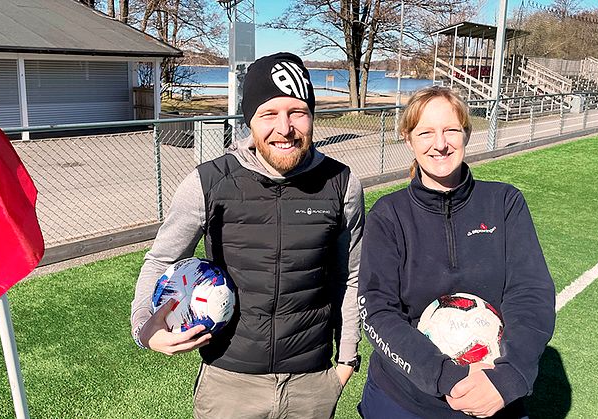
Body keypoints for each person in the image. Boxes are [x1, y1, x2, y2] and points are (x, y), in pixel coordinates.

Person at [130, 52, 364, 419]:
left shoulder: (342, 183)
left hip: (312, 384)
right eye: (269, 114)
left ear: (312, 117)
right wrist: (145, 329)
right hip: (229, 382)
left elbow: (351, 277)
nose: (284, 128)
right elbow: (162, 260)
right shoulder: (208, 182)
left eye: (297, 112)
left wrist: (346, 360)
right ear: (248, 121)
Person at [357, 86, 555, 418]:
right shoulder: (388, 215)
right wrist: (447, 376)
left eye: (450, 130)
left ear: (466, 132)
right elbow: (377, 311)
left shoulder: (504, 203)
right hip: (404, 399)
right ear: (409, 140)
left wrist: (508, 377)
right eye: (426, 133)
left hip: (494, 393)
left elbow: (531, 293)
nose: (440, 144)